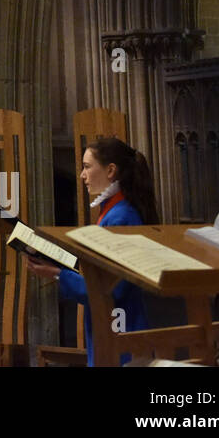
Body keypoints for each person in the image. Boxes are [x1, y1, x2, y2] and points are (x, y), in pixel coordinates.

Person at [26, 136, 156, 365]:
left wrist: (58, 272)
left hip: (120, 323)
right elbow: (99, 271)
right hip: (112, 320)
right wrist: (58, 262)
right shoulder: (114, 210)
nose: (82, 175)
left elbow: (111, 288)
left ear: (110, 171)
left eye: (87, 167)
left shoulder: (121, 217)